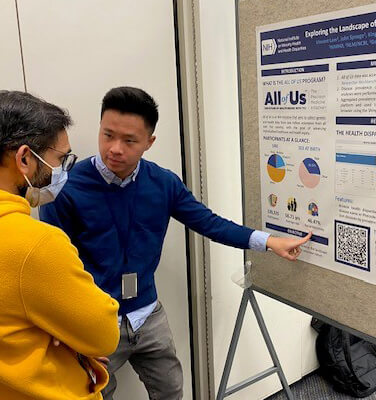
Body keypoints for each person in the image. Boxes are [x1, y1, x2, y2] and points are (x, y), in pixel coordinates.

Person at [40, 86, 311, 400]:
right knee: (96, 396)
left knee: (171, 392)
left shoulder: (163, 183)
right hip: (93, 321)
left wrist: (268, 241)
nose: (115, 148)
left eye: (129, 140)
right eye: (107, 135)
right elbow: (53, 265)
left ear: (149, 142)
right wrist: (64, 327)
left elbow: (209, 223)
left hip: (148, 315)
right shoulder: (66, 187)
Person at [0, 91, 120, 400]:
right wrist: (61, 331)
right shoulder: (34, 244)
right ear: (25, 158)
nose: (63, 171)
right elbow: (104, 334)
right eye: (60, 159)